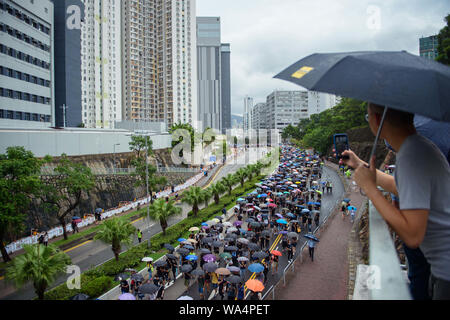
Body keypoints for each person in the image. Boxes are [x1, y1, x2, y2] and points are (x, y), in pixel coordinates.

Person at [343, 102, 450, 300]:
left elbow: (412, 235)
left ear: (376, 120)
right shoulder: (418, 147)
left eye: (368, 118)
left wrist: (369, 188)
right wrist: (360, 165)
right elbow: (400, 188)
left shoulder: (411, 156)